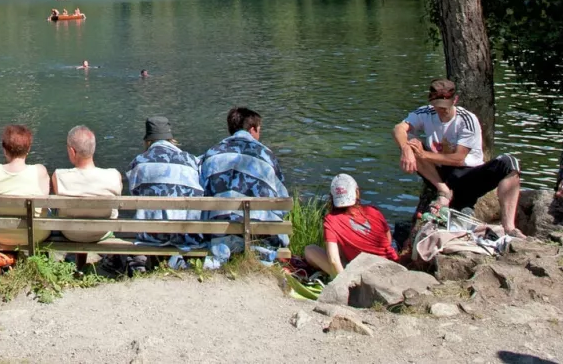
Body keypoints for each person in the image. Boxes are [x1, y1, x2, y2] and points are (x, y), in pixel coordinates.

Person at [392, 79, 522, 235]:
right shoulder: (425, 112)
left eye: (446, 105)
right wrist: (406, 148)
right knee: (411, 141)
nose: (442, 110)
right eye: (438, 106)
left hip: (467, 175)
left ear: (455, 100)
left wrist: (423, 155)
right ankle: (443, 192)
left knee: (509, 163)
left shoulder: (466, 119)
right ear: (431, 101)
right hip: (439, 174)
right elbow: (398, 128)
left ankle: (509, 227)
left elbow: (458, 158)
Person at [199, 107, 289, 265]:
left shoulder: (212, 153)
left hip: (217, 235)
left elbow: (200, 192)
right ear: (253, 129)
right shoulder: (266, 155)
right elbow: (282, 203)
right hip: (257, 236)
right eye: (259, 130)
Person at [124, 116, 203, 248]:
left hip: (151, 235)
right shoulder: (191, 160)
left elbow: (134, 193)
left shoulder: (139, 162)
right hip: (186, 235)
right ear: (171, 139)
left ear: (148, 141)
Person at [305, 173, 397, 276]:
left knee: (310, 250)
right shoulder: (373, 211)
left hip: (366, 275)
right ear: (357, 192)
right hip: (393, 266)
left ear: (332, 196)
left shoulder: (331, 220)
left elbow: (334, 260)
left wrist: (344, 283)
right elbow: (388, 240)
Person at [50, 125, 124, 245]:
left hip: (70, 233)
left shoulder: (59, 176)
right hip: (101, 233)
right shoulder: (114, 175)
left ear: (72, 151)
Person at [0, 124, 51, 248]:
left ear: (4, 149)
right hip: (35, 234)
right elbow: (44, 201)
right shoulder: (39, 171)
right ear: (28, 148)